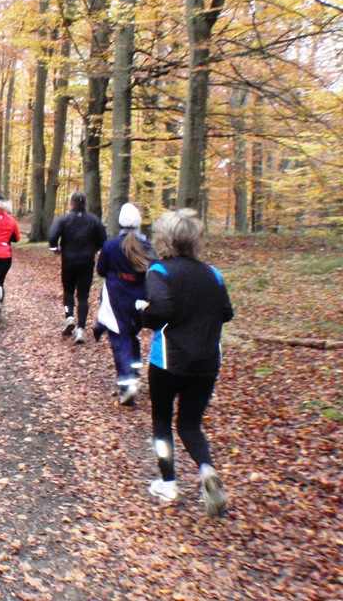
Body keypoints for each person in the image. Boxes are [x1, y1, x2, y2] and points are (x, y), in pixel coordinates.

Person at [140, 209, 234, 518]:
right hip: (207, 362)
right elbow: (226, 312)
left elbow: (161, 310)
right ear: (194, 239)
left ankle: (168, 483)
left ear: (163, 239)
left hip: (167, 360)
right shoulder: (213, 274)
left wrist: (144, 312)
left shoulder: (160, 271)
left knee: (162, 422)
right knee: (190, 424)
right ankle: (207, 469)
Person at [94, 203, 157, 405]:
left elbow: (101, 270)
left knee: (119, 337)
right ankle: (135, 372)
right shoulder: (146, 245)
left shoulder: (111, 245)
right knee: (132, 333)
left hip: (116, 295)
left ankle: (127, 383)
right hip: (140, 294)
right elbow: (155, 269)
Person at [48, 190, 107, 344]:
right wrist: (96, 250)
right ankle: (81, 329)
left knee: (68, 291)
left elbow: (52, 236)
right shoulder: (94, 220)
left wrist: (55, 248)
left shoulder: (64, 219)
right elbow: (103, 240)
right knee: (83, 296)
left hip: (68, 261)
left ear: (71, 203)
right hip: (86, 262)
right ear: (85, 203)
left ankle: (69, 317)